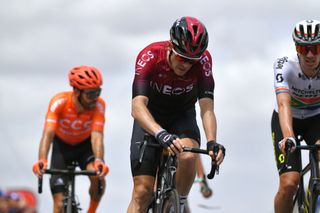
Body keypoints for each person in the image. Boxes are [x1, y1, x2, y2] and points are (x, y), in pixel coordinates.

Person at [127, 16, 225, 213]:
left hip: (182, 116)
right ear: (171, 46)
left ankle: (179, 204)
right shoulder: (150, 56)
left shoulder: (204, 62)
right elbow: (137, 106)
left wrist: (212, 141)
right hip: (150, 118)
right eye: (182, 58)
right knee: (142, 193)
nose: (186, 65)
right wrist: (160, 133)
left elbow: (207, 108)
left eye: (192, 61)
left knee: (188, 157)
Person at [32, 65, 109, 213]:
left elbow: (97, 136)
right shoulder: (59, 102)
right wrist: (42, 159)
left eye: (98, 92)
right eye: (90, 94)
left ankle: (91, 211)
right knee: (59, 204)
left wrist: (99, 159)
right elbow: (48, 134)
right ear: (76, 91)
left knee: (97, 176)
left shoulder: (99, 105)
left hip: (85, 147)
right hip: (62, 148)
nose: (95, 98)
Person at [272, 19, 320, 213]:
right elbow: (284, 105)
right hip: (287, 119)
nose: (309, 55)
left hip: (316, 119)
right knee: (289, 183)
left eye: (315, 49)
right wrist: (289, 137)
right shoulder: (284, 66)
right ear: (296, 48)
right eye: (303, 48)